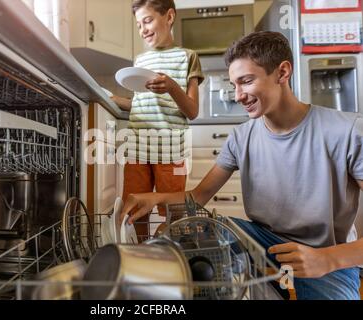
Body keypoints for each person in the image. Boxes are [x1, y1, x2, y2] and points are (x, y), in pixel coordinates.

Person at [120, 31, 363, 300]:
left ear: (282, 73)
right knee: (201, 226)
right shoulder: (241, 136)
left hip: (326, 257)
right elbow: (197, 197)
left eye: (246, 82)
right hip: (263, 244)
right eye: (234, 84)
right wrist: (152, 199)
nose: (238, 95)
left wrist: (327, 260)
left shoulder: (347, 131)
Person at [111, 0, 204, 239]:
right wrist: (111, 98)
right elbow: (141, 105)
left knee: (173, 213)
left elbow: (192, 111)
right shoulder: (140, 61)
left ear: (169, 16)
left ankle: (170, 256)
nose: (143, 29)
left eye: (148, 20)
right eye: (139, 24)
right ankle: (140, 257)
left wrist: (172, 86)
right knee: (134, 210)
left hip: (170, 151)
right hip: (138, 149)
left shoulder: (187, 57)